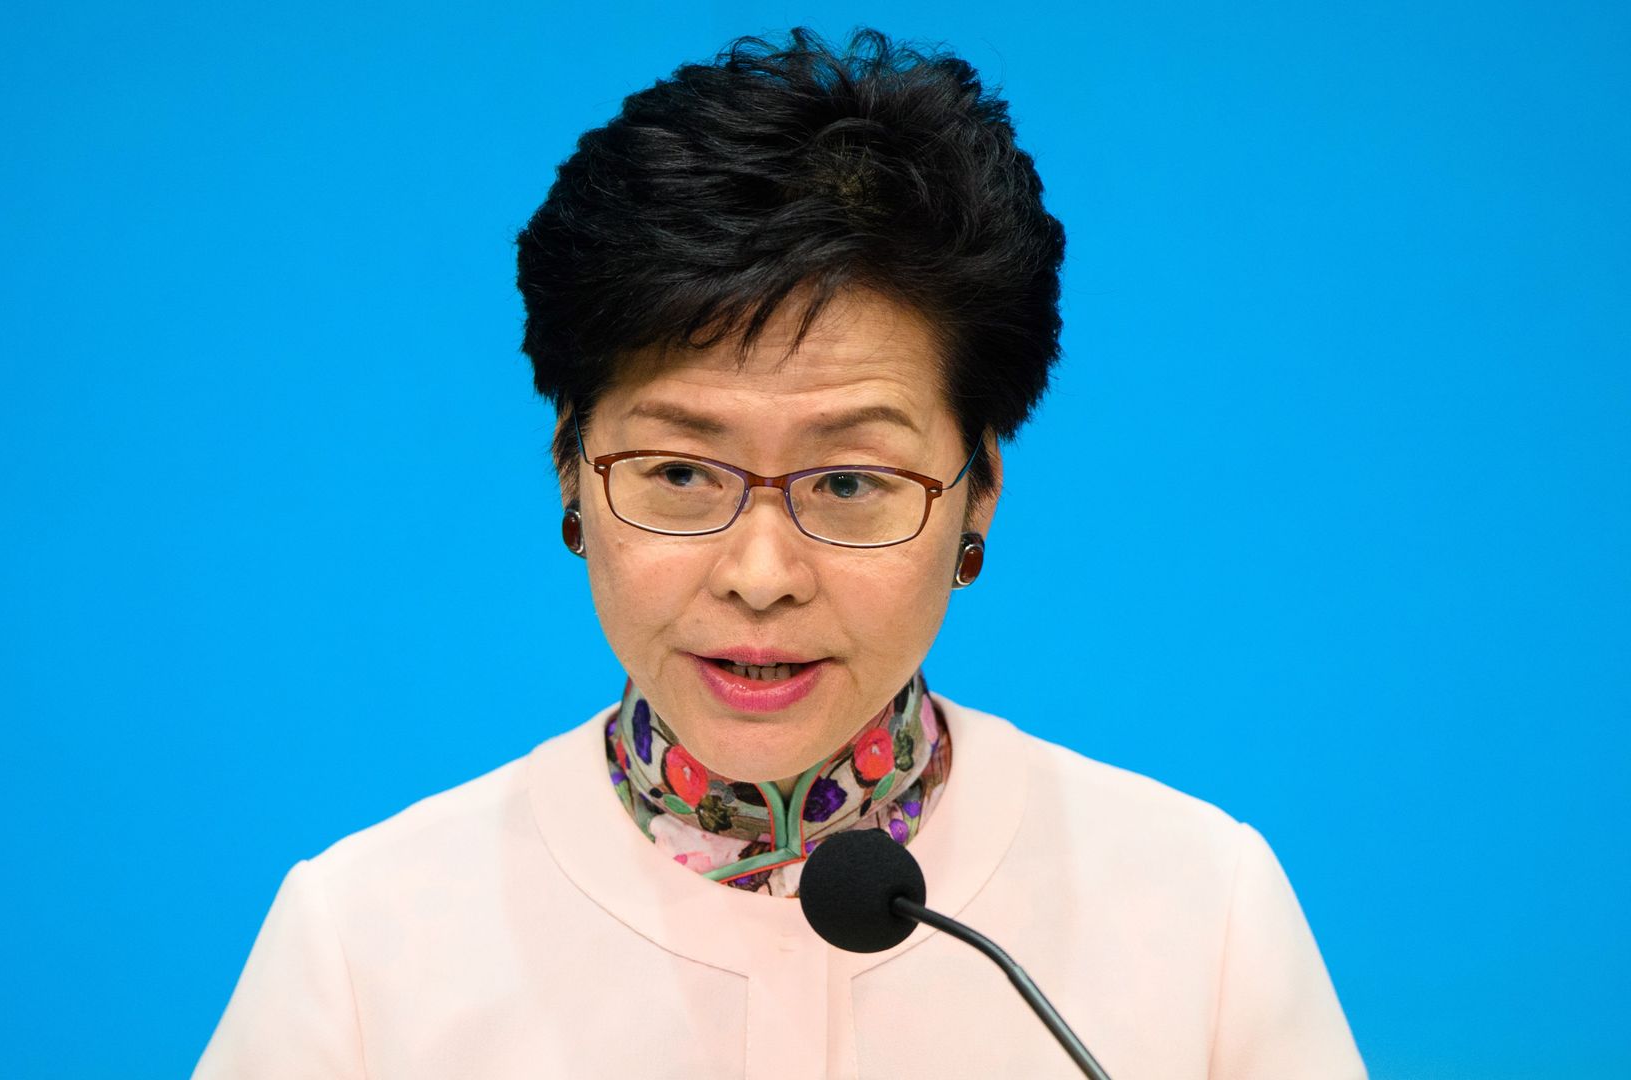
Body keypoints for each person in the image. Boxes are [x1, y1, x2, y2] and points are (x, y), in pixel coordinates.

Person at [192, 27, 1365, 1078]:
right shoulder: (364, 940)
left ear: (979, 496)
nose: (760, 573)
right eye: (681, 474)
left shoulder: (1201, 910)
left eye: (850, 482)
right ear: (572, 472)